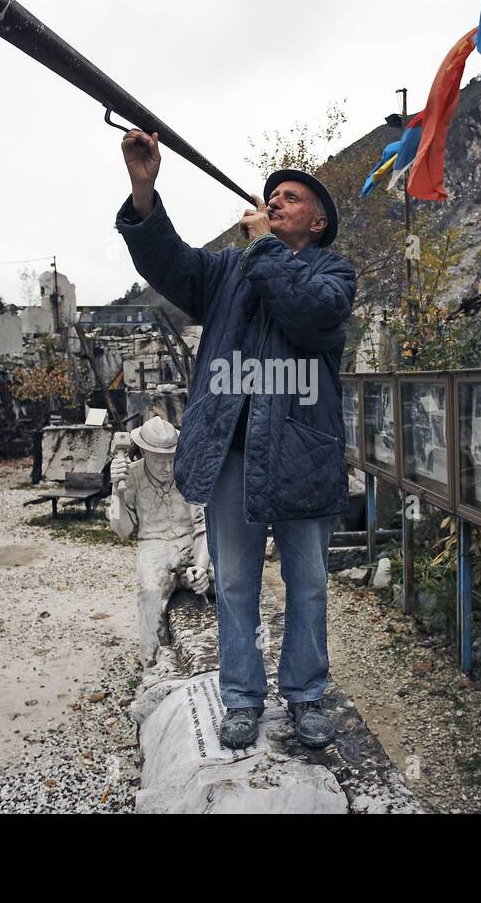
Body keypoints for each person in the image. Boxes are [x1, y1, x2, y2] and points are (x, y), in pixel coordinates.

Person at [115, 129, 356, 749]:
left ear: (319, 220)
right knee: (235, 583)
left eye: (292, 197)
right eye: (271, 194)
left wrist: (262, 251)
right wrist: (145, 189)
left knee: (307, 583)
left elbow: (306, 312)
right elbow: (168, 263)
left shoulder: (334, 273)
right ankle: (243, 697)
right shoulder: (227, 270)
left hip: (302, 456)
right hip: (231, 455)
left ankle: (305, 696)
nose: (275, 201)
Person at [107, 416, 212, 667]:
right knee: (151, 592)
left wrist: (201, 565)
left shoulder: (188, 474)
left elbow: (204, 525)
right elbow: (123, 531)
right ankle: (152, 665)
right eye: (159, 461)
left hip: (190, 545)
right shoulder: (131, 476)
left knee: (226, 577)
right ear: (143, 452)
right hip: (153, 547)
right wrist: (116, 493)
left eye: (171, 460)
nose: (167, 468)